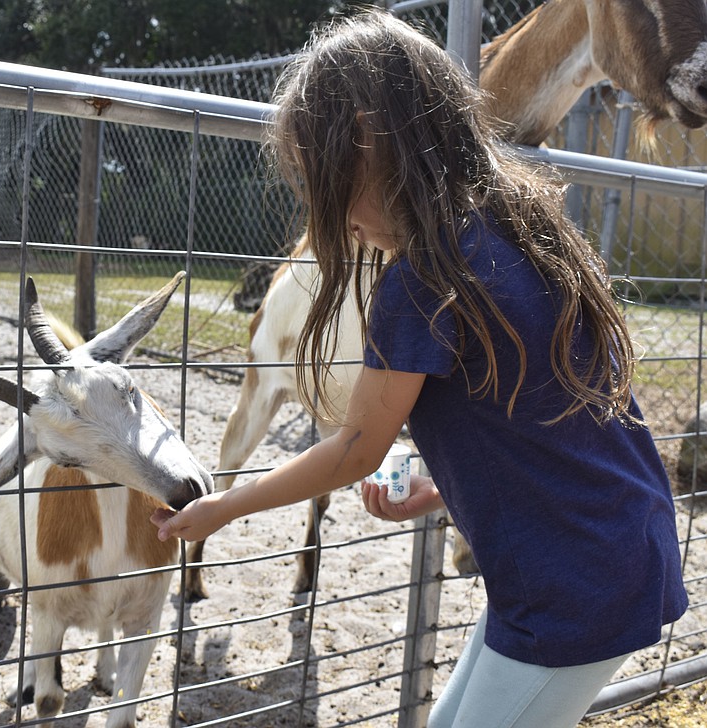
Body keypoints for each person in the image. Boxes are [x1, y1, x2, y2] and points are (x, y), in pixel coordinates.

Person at [151, 9, 688, 727]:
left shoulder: (423, 278)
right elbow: (545, 427)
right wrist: (437, 490)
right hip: (608, 550)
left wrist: (223, 507)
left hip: (572, 585)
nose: (334, 218)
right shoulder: (517, 227)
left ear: (372, 144)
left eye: (329, 179)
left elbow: (355, 447)